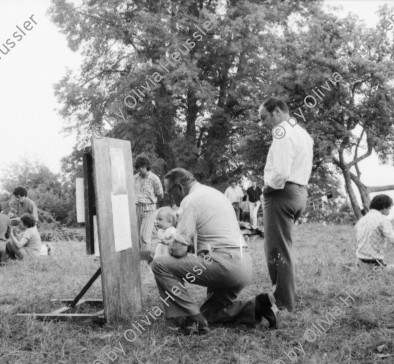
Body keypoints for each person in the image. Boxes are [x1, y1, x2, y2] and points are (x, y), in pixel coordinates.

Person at [148, 168, 277, 335]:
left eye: (170, 192)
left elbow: (179, 251)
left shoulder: (191, 201)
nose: (171, 198)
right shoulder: (216, 194)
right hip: (243, 265)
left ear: (179, 187)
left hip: (225, 265)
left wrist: (172, 243)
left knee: (159, 264)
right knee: (209, 313)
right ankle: (257, 306)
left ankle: (191, 319)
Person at [259, 97, 313, 312]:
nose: (263, 123)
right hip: (300, 192)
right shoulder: (303, 133)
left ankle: (283, 304)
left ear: (277, 112)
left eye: (264, 118)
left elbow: (280, 172)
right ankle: (286, 296)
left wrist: (267, 188)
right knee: (283, 247)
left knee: (276, 250)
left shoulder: (281, 131)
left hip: (282, 193)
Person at [355, 194, 394, 270]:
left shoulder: (362, 220)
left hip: (359, 263)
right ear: (384, 207)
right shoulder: (382, 219)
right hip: (374, 265)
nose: (389, 211)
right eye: (389, 208)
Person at [134, 156, 164, 251]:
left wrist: (152, 201)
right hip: (137, 208)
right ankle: (139, 259)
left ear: (146, 166)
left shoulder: (154, 179)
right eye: (138, 167)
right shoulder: (134, 178)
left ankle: (145, 260)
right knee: (138, 236)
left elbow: (160, 194)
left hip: (149, 209)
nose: (140, 169)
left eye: (142, 167)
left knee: (144, 236)